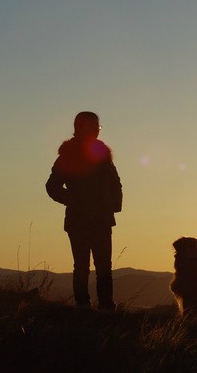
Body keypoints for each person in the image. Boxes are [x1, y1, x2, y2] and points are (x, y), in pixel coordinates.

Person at [46, 111, 123, 310]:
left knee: (104, 266)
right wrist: (74, 201)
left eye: (96, 126)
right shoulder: (68, 154)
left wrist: (113, 204)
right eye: (89, 126)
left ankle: (106, 306)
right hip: (78, 220)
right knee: (81, 266)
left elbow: (115, 183)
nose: (94, 130)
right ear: (79, 128)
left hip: (102, 219)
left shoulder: (103, 154)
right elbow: (52, 186)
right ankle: (82, 306)